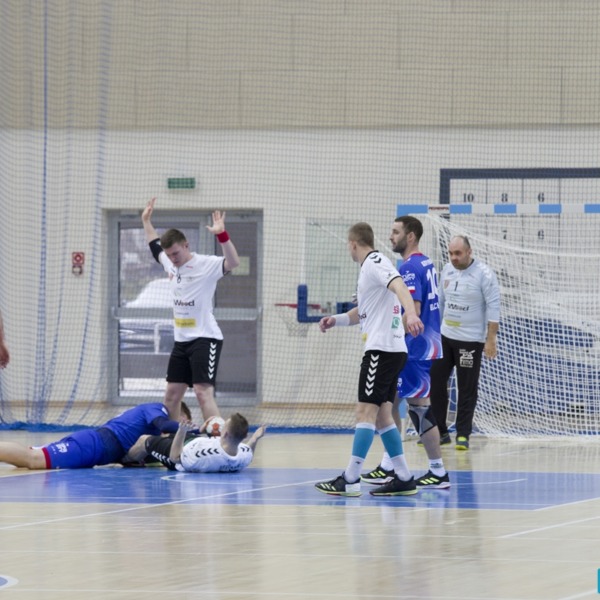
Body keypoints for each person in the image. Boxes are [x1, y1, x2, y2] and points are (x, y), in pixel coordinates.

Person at [314, 222, 424, 497]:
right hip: (391, 350)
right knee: (383, 417)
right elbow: (363, 312)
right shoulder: (369, 271)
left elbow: (400, 285)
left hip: (381, 350)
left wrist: (411, 314)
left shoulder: (375, 262)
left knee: (364, 412)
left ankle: (350, 478)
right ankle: (404, 477)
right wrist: (336, 320)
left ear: (353, 244)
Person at [361, 216, 450, 489]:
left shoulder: (409, 267)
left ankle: (437, 471)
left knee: (416, 409)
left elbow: (414, 310)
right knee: (386, 405)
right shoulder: (426, 263)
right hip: (422, 346)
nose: (391, 236)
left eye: (396, 232)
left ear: (410, 236)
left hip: (413, 348)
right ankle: (391, 465)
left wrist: (388, 331)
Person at [141, 197, 240, 422]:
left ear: (186, 245)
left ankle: (215, 439)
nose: (172, 259)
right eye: (169, 255)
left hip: (205, 337)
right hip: (181, 341)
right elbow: (154, 245)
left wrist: (222, 235)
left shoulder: (205, 264)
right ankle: (171, 438)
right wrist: (146, 221)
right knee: (171, 395)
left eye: (175, 253)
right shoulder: (170, 263)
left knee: (202, 392)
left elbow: (233, 262)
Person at [429, 235, 500, 450]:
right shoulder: (446, 270)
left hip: (470, 341)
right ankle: (440, 432)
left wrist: (490, 339)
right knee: (436, 381)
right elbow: (441, 302)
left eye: (458, 253)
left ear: (469, 252)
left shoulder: (484, 274)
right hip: (445, 337)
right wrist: (434, 334)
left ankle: (463, 434)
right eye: (451, 253)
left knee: (466, 388)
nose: (454, 257)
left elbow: (494, 308)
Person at [0, 403, 181, 470]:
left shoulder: (151, 434)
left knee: (30, 457)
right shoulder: (157, 409)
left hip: (94, 447)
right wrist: (190, 429)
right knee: (33, 459)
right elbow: (165, 425)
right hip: (93, 446)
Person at [125, 413, 266, 473]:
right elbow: (248, 450)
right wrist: (255, 438)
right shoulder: (244, 455)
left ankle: (124, 459)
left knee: (144, 440)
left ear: (226, 434)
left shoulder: (203, 455)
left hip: (180, 452)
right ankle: (146, 458)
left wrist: (181, 431)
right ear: (244, 436)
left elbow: (175, 457)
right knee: (165, 436)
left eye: (224, 426)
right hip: (194, 441)